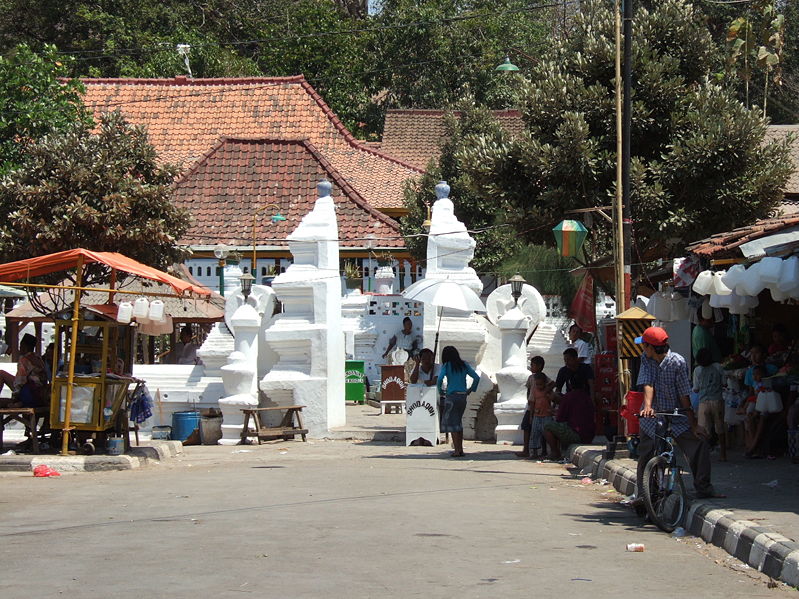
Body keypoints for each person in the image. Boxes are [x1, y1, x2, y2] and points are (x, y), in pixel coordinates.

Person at [635, 326, 722, 503]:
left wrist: (694, 424)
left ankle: (703, 487)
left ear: (652, 347)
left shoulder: (678, 362)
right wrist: (648, 406)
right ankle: (644, 495)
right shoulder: (646, 359)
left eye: (644, 346)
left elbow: (684, 394)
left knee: (699, 444)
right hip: (653, 416)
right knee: (646, 453)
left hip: (676, 415)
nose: (643, 349)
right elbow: (648, 383)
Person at [437, 345, 480, 458]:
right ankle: (460, 449)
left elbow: (440, 379)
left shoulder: (446, 366)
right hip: (462, 397)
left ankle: (456, 450)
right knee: (458, 423)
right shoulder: (464, 364)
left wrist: (440, 390)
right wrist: (471, 390)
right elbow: (476, 377)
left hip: (451, 396)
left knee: (452, 424)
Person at [543, 373, 595, 461]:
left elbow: (560, 418)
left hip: (577, 434)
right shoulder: (587, 397)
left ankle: (555, 452)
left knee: (548, 426)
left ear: (570, 384)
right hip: (589, 434)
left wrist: (554, 412)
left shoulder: (569, 397)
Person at [693, 347, 727, 461]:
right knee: (720, 428)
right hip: (717, 400)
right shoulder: (718, 367)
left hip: (703, 402)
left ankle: (704, 455)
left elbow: (696, 389)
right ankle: (723, 454)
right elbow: (724, 383)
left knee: (703, 430)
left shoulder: (697, 370)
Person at [517, 356, 553, 458]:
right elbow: (528, 390)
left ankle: (542, 451)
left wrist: (545, 391)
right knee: (527, 426)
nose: (531, 367)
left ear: (539, 366)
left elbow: (552, 384)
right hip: (532, 405)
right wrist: (529, 400)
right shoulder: (530, 378)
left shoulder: (543, 377)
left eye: (532, 365)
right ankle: (527, 449)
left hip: (541, 406)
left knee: (541, 429)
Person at [0, 334, 47, 408]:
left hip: (29, 393)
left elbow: (20, 381)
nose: (20, 348)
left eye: (21, 345)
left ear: (25, 347)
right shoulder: (38, 358)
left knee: (1, 373)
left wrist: (15, 397)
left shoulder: (24, 359)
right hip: (40, 393)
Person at [528, 373, 555, 459]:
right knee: (535, 434)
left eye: (541, 384)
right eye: (537, 384)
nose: (539, 386)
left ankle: (548, 451)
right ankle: (534, 453)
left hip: (547, 415)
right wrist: (531, 415)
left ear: (545, 383)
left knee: (547, 434)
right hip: (537, 415)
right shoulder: (534, 390)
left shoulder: (548, 391)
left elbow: (553, 398)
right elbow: (532, 402)